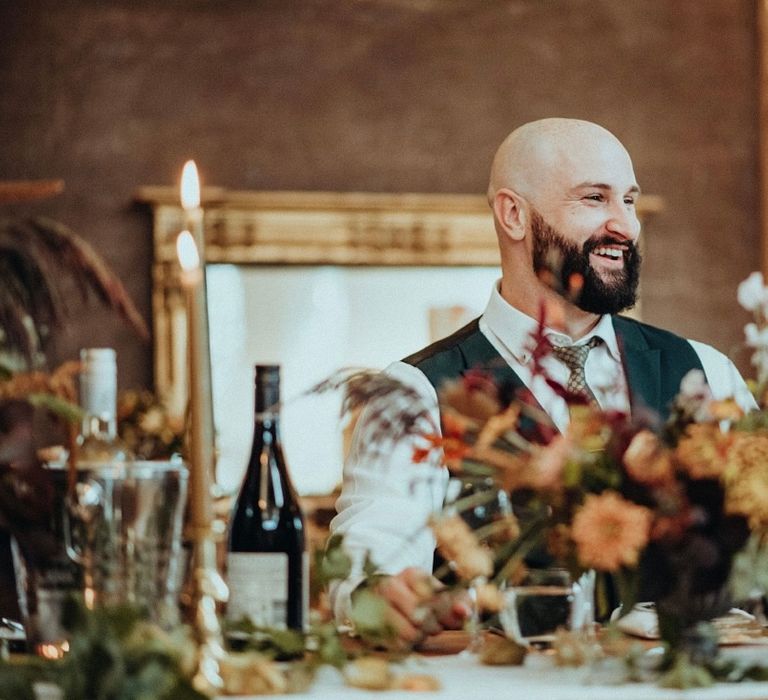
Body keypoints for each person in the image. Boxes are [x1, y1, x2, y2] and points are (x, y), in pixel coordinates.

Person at [328, 117, 754, 646]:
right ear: (513, 215)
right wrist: (381, 593)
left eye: (629, 199)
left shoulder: (704, 371)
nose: (626, 225)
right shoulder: (417, 391)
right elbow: (368, 555)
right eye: (595, 198)